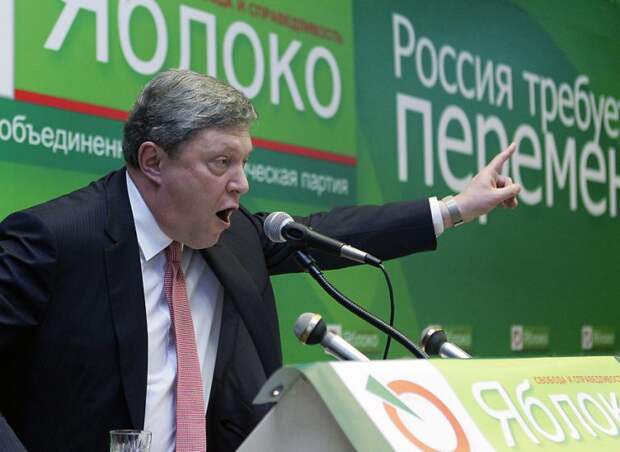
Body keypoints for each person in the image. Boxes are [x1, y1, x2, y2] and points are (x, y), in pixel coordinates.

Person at [0, 69, 520, 452]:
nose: (242, 183)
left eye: (244, 162)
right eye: (221, 162)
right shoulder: (51, 240)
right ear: (153, 160)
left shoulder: (233, 235)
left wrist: (455, 208)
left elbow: (332, 231)